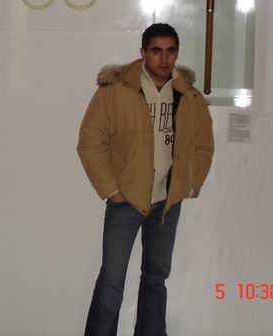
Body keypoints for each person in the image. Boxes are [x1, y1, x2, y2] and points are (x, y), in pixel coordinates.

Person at [77, 23, 214, 336]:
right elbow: (90, 143)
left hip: (167, 204)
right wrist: (111, 189)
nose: (164, 59)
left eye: (170, 51)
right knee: (111, 282)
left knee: (155, 279)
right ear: (143, 53)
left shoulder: (187, 95)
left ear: (176, 53)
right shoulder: (116, 91)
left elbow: (204, 144)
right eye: (156, 51)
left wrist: (191, 183)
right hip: (126, 202)